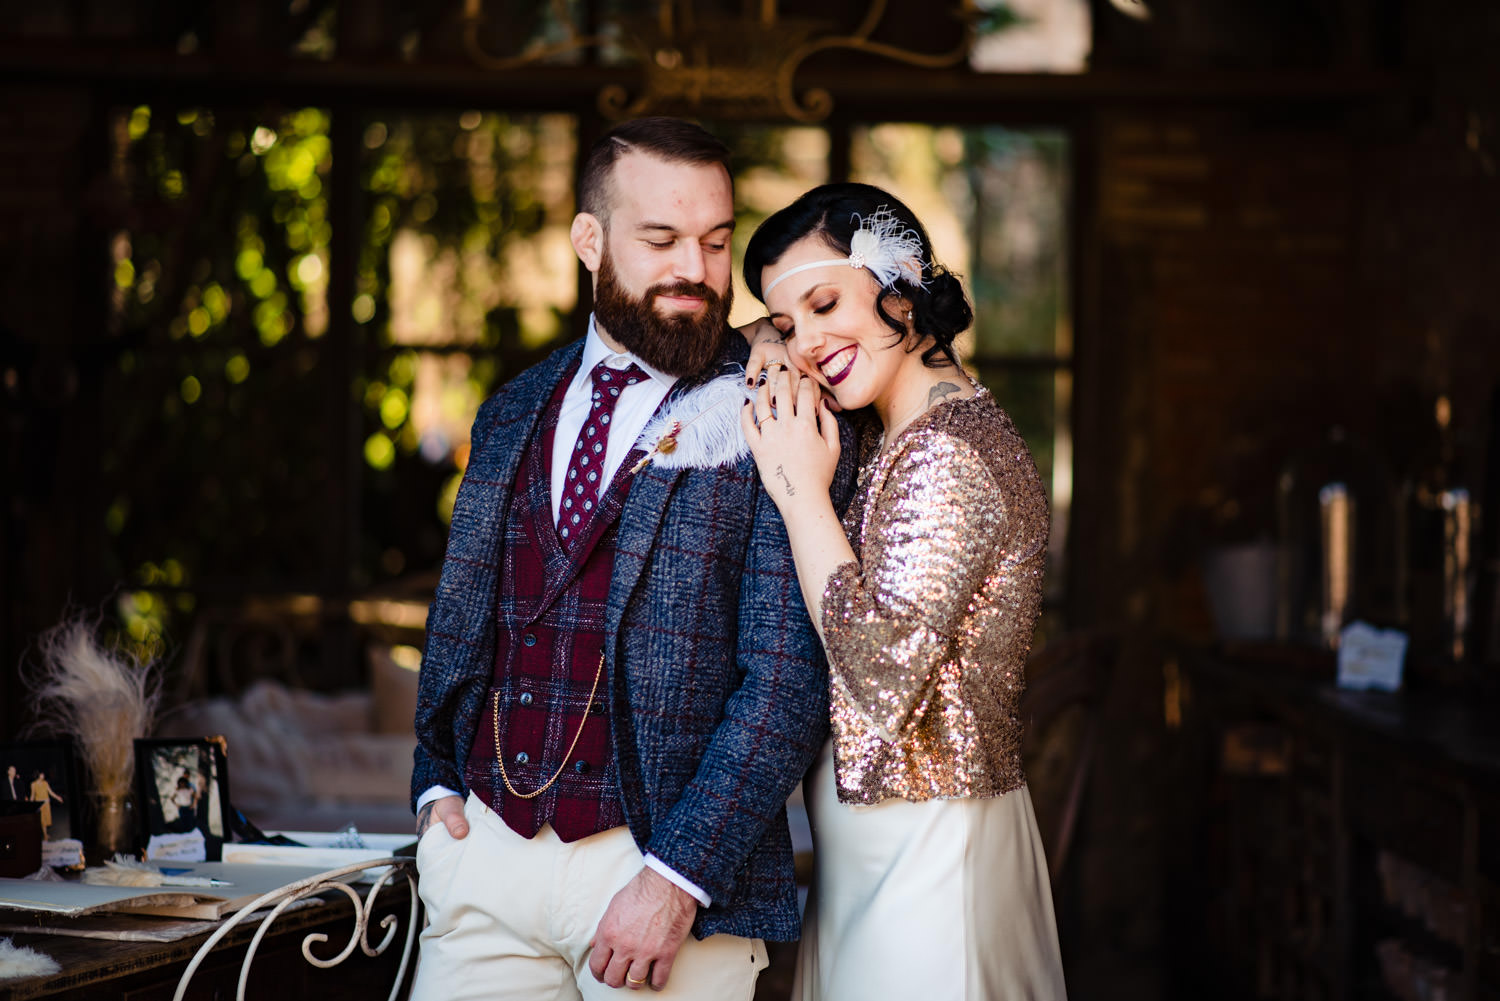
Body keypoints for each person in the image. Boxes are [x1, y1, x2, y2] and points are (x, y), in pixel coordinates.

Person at [409, 117, 850, 1001]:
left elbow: (789, 678)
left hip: (665, 884)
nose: (696, 269)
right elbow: (460, 618)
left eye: (715, 241)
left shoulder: (774, 407)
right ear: (589, 239)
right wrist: (434, 785)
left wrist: (676, 880)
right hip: (485, 863)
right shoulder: (511, 410)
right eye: (661, 240)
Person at [739, 182, 1068, 1000]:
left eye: (825, 304)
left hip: (931, 852)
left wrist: (799, 492)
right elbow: (718, 336)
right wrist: (768, 334)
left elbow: (882, 673)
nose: (809, 344)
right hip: (885, 843)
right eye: (789, 325)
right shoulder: (910, 430)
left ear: (901, 285)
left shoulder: (947, 455)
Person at [29, 769, 64, 840]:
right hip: (39, 804)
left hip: (47, 803)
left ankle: (45, 834)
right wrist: (29, 805)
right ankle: (45, 835)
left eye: (43, 774)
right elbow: (32, 795)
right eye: (42, 774)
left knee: (46, 820)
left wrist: (58, 798)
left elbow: (51, 792)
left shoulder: (45, 783)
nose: (43, 776)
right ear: (38, 775)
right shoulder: (33, 784)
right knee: (42, 820)